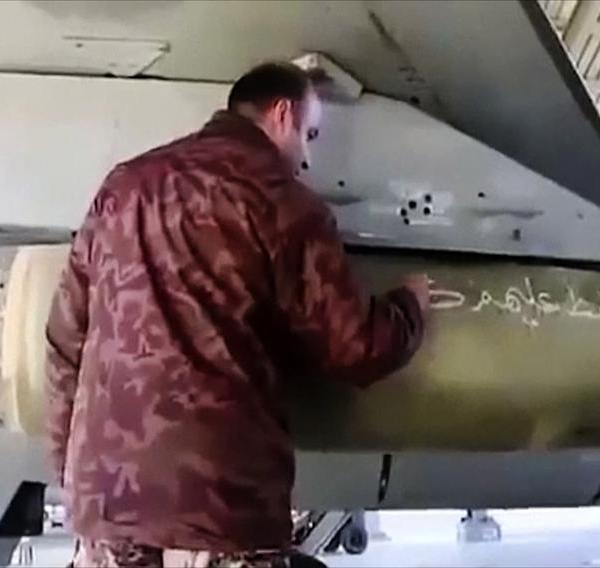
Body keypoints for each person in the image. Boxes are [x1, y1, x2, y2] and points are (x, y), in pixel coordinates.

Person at [45, 62, 429, 568]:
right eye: (309, 134)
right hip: (217, 504)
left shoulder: (123, 186)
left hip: (107, 503)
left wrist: (73, 470)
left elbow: (65, 337)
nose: (307, 157)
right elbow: (354, 347)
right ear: (282, 114)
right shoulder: (282, 201)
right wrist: (409, 307)